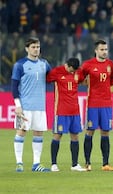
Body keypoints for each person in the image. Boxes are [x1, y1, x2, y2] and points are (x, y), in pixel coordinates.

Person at [12, 37, 51, 172]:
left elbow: (52, 77)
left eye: (38, 47)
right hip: (25, 106)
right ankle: (19, 163)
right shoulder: (20, 65)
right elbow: (14, 86)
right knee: (21, 132)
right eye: (33, 47)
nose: (36, 49)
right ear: (27, 49)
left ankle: (36, 164)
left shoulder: (44, 64)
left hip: (40, 106)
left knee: (38, 134)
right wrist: (17, 105)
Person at [80, 39, 113, 171]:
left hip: (107, 103)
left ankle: (105, 164)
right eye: (102, 49)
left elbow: (111, 80)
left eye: (106, 49)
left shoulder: (110, 64)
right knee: (90, 131)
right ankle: (87, 163)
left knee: (105, 132)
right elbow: (79, 78)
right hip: (93, 104)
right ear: (96, 51)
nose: (104, 52)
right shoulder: (87, 65)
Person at [46, 58, 87, 172]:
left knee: (75, 136)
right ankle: (54, 164)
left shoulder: (77, 73)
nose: (73, 72)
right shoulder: (56, 72)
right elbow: (47, 79)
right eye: (71, 70)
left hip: (75, 111)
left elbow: (83, 78)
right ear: (67, 65)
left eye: (75, 71)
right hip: (61, 111)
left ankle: (74, 164)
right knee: (57, 135)